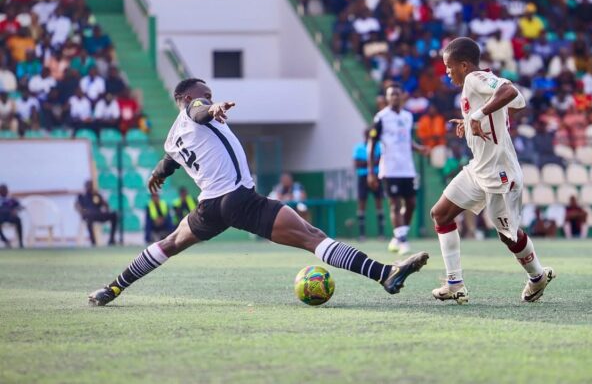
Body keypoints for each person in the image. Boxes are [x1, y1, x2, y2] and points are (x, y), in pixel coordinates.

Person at [88, 79, 428, 306]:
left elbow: (168, 162)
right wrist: (213, 107)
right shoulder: (196, 112)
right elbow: (199, 111)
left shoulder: (172, 137)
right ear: (190, 98)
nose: (208, 96)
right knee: (312, 236)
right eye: (204, 93)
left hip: (209, 207)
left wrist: (157, 174)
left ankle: (113, 287)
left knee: (170, 244)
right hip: (238, 199)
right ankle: (384, 273)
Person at [429, 37, 556, 305]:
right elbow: (514, 101)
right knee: (440, 214)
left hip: (501, 174)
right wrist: (468, 120)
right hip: (479, 169)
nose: (447, 72)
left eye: (449, 67)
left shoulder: (474, 78)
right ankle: (455, 283)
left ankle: (537, 276)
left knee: (508, 236)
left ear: (463, 65)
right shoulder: (474, 84)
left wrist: (475, 117)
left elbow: (511, 92)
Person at [367, 84, 428, 255]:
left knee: (411, 204)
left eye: (396, 94)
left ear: (402, 96)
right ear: (387, 98)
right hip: (390, 169)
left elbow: (407, 140)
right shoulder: (381, 117)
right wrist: (371, 171)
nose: (394, 97)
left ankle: (398, 236)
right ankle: (402, 240)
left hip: (407, 168)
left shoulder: (408, 116)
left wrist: (419, 148)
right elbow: (372, 143)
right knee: (394, 204)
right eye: (391, 94)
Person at [353, 130, 384, 240]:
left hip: (377, 176)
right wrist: (372, 161)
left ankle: (381, 234)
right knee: (362, 204)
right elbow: (356, 164)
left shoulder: (379, 146)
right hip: (362, 177)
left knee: (379, 203)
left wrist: (365, 162)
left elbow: (381, 160)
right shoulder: (358, 147)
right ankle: (362, 234)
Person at [75, 181, 117, 246]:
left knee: (114, 215)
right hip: (88, 215)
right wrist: (85, 211)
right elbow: (79, 207)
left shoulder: (96, 195)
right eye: (88, 185)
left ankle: (111, 239)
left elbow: (106, 206)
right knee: (89, 218)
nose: (89, 187)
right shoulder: (82, 196)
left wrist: (100, 197)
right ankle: (93, 242)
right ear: (85, 187)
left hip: (98, 214)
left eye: (91, 185)